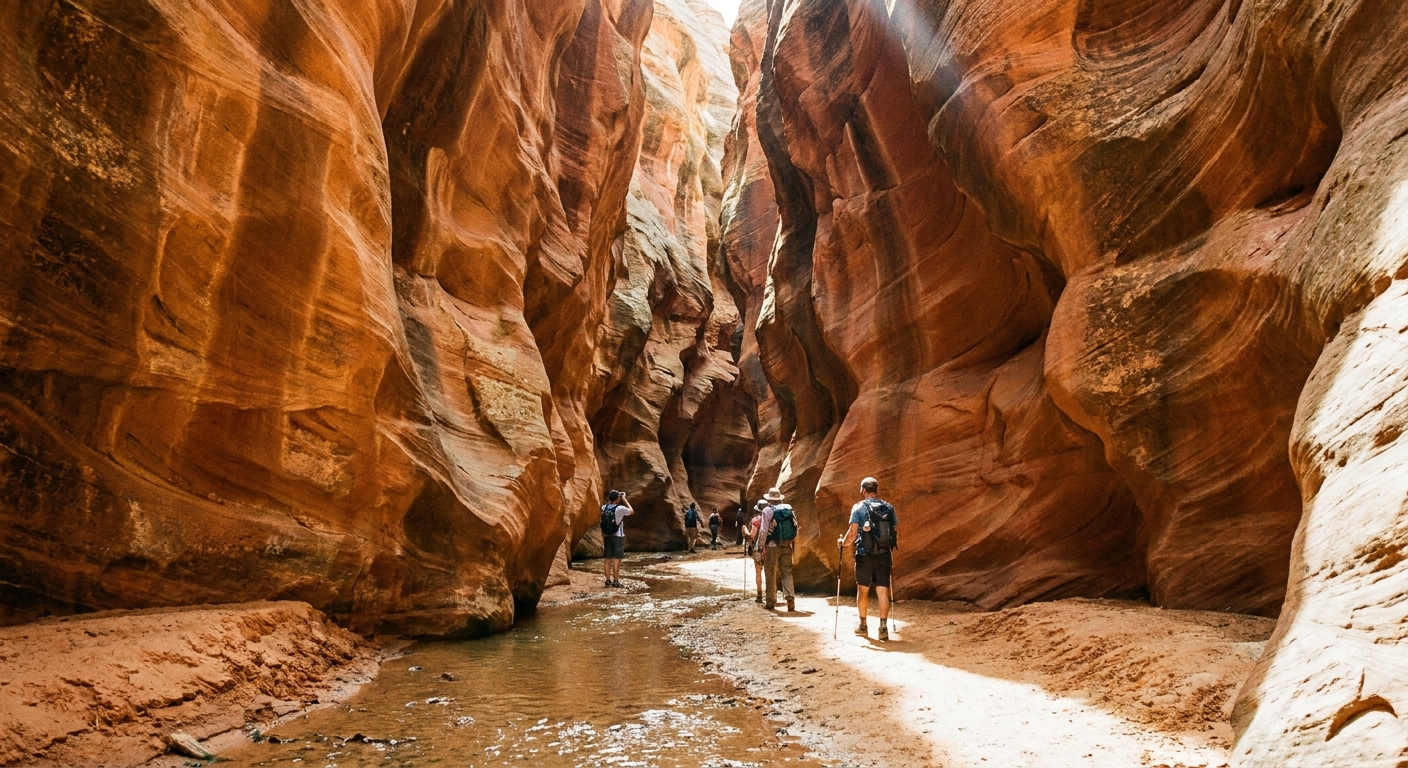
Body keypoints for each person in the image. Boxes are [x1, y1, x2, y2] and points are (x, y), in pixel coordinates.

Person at [838, 476, 897, 641]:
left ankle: (863, 626)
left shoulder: (858, 508)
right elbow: (893, 532)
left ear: (863, 491)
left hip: (864, 555)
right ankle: (883, 628)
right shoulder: (889, 508)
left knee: (863, 590)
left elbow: (852, 534)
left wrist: (842, 544)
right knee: (882, 591)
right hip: (884, 555)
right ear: (876, 490)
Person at [758, 487, 797, 611]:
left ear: (769, 499)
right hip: (787, 544)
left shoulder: (767, 510)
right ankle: (790, 598)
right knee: (786, 572)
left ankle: (770, 601)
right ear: (780, 498)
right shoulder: (789, 508)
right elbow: (795, 526)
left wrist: (760, 546)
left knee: (770, 572)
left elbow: (763, 531)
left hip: (772, 545)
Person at [601, 490, 633, 587]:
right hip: (618, 536)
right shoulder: (620, 508)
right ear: (617, 498)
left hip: (607, 536)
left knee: (607, 558)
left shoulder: (603, 507)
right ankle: (616, 581)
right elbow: (631, 511)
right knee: (617, 559)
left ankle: (607, 580)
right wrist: (624, 499)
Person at [745, 500, 766, 602]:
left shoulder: (756, 520)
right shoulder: (771, 519)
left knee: (758, 572)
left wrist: (744, 530)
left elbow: (752, 536)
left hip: (758, 549)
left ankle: (759, 595)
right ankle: (772, 595)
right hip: (770, 549)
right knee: (770, 572)